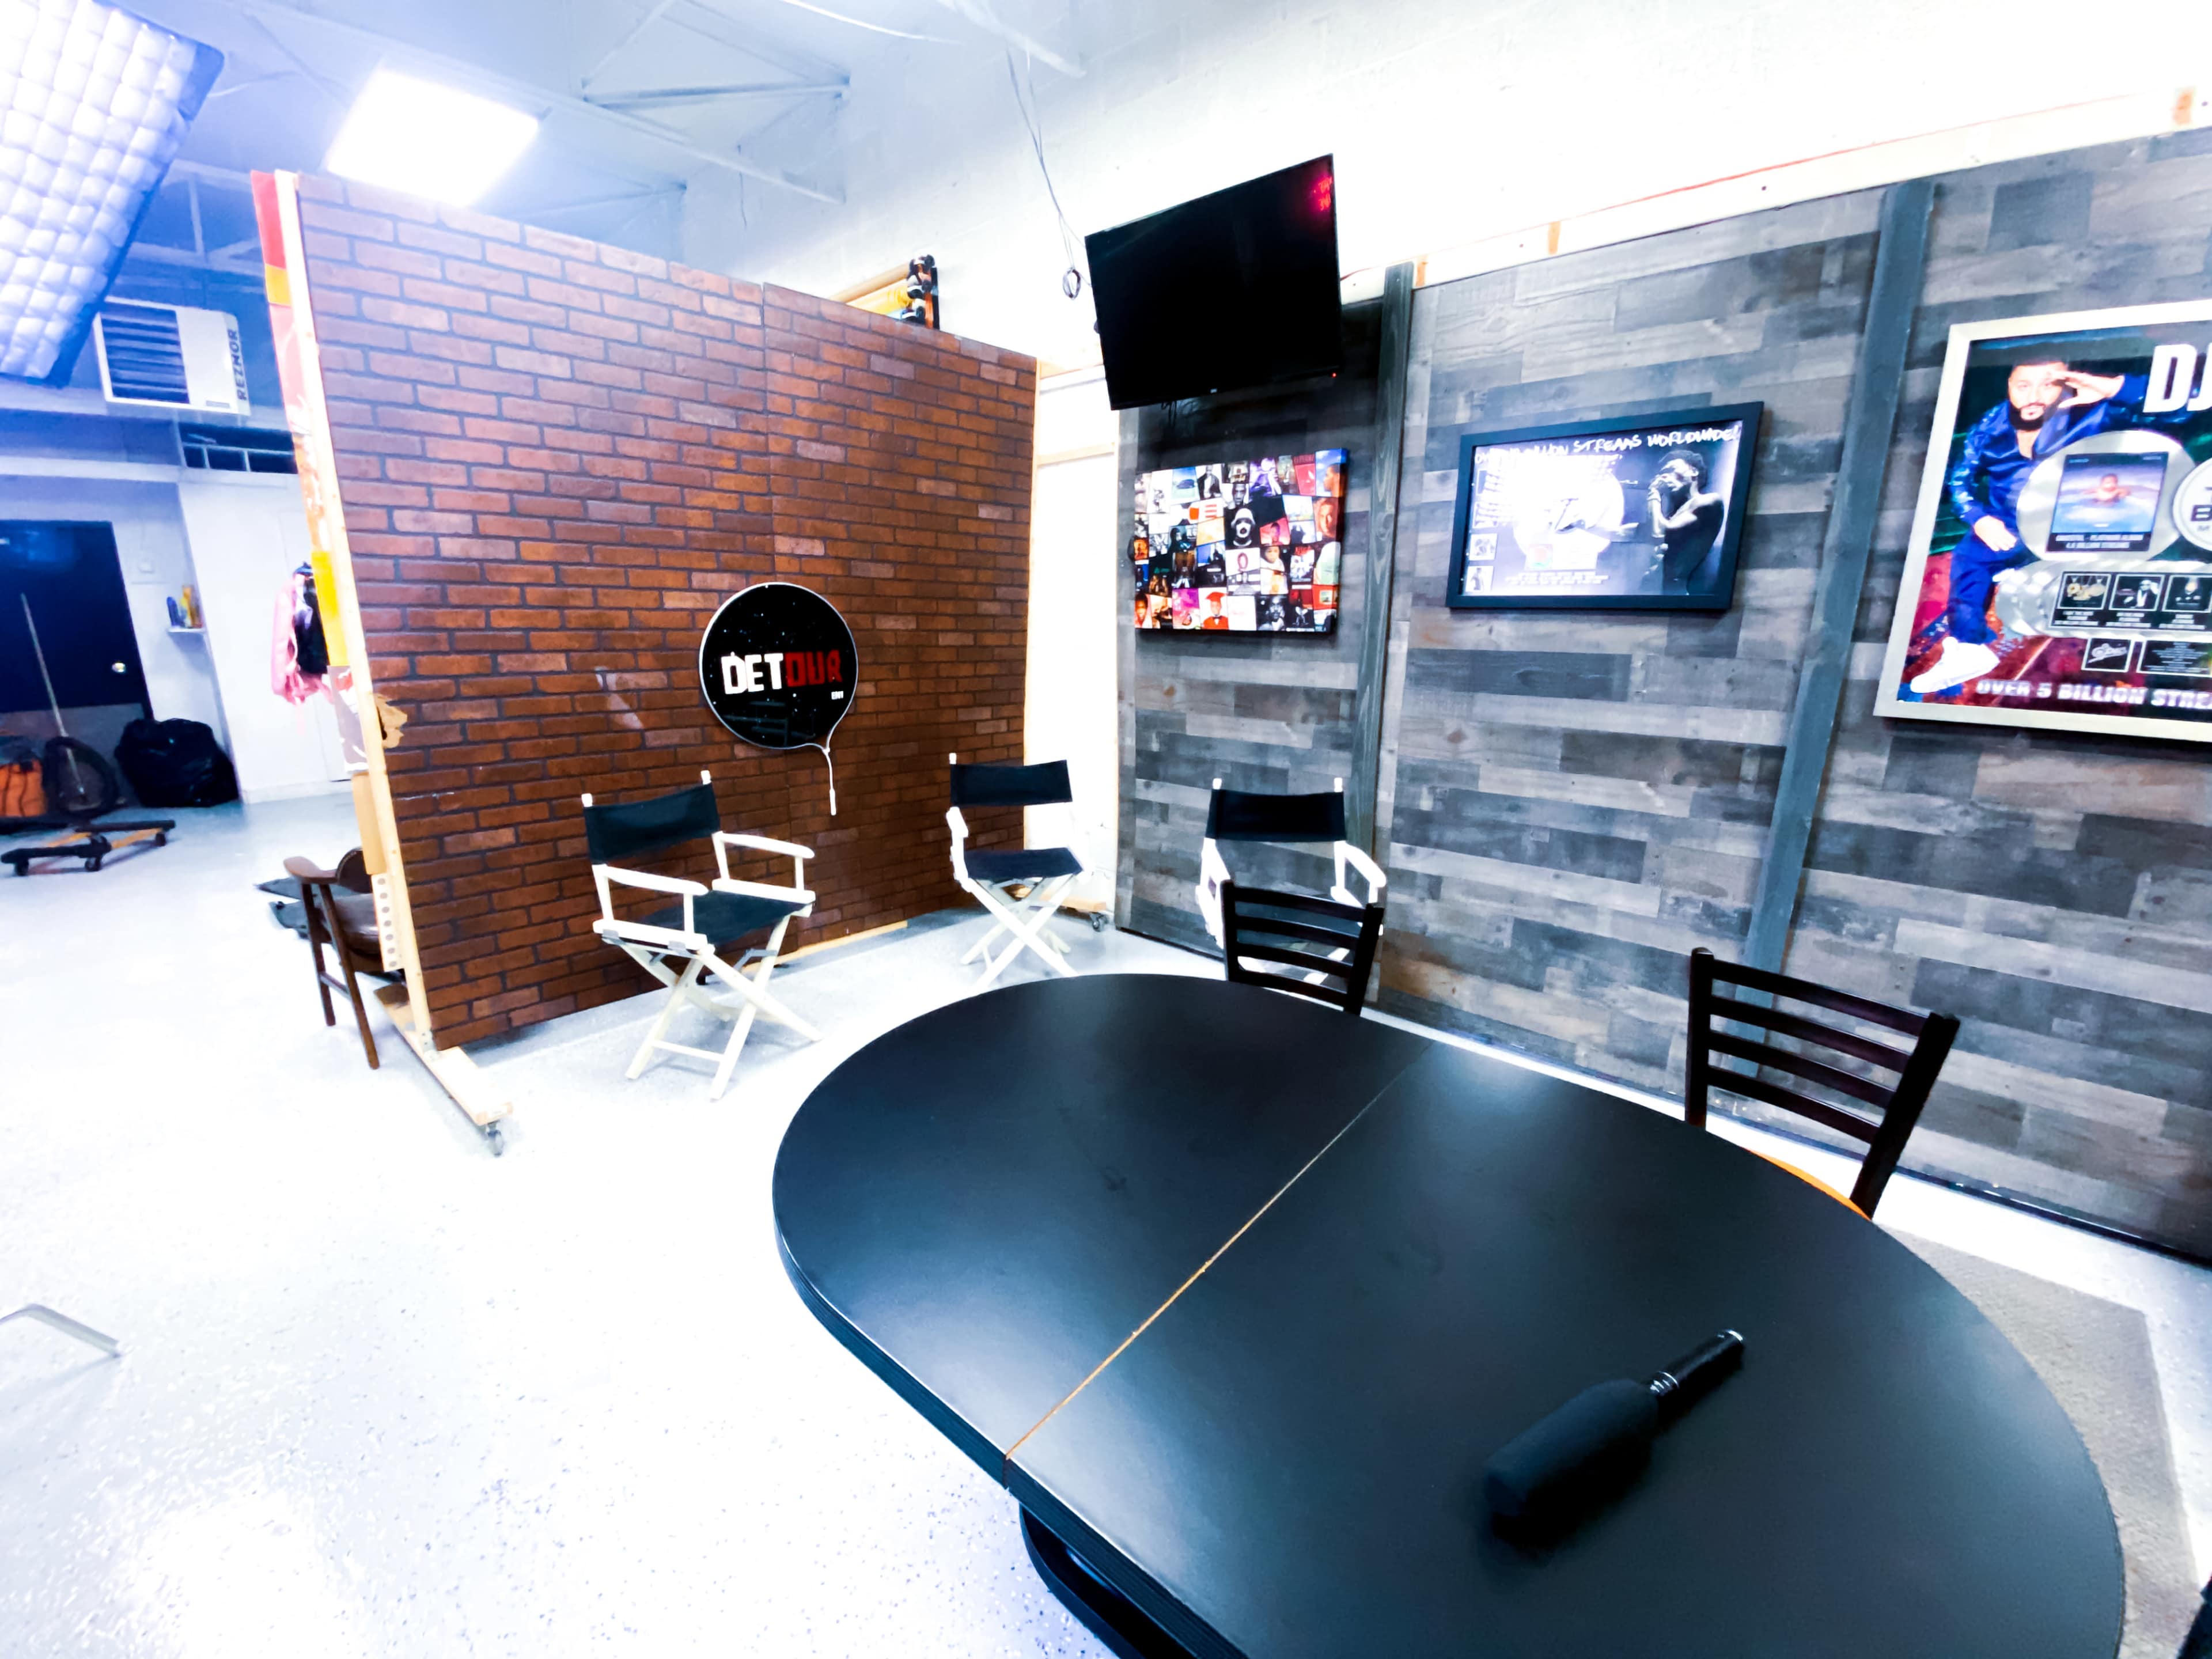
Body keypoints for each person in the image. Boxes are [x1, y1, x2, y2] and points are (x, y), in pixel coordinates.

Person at [1912, 358, 2184, 694]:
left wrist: (2115, 388)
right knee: (1969, 557)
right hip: (2009, 523)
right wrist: (1978, 518)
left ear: (2065, 385)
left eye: (2048, 384)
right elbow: (1959, 480)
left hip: (2078, 522)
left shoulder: (2097, 410)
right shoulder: (1992, 424)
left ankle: (2028, 572)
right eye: (2023, 386)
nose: (2034, 396)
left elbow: (2182, 409)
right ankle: (1969, 648)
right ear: (2010, 386)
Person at [1648, 450, 1727, 593]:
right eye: (1661, 473)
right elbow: (1628, 532)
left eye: (1671, 469)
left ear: (1694, 471)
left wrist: (1654, 495)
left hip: (1674, 592)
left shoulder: (1709, 500)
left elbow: (1661, 532)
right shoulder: (1673, 513)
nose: (1664, 476)